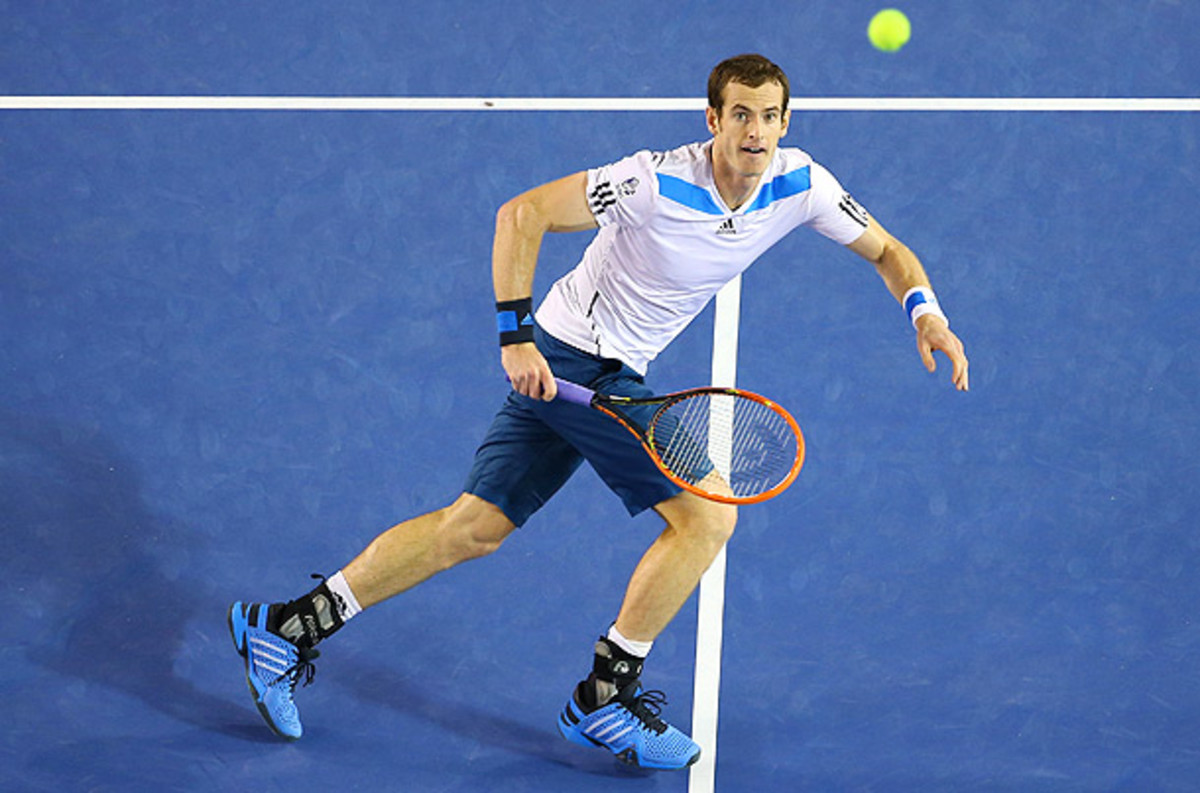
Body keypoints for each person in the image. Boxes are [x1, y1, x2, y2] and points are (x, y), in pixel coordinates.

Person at [228, 53, 970, 771]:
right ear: (712, 117)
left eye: (770, 117)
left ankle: (287, 628)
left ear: (784, 123)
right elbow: (521, 214)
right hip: (583, 359)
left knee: (473, 527)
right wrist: (513, 337)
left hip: (581, 361)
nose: (755, 132)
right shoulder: (652, 181)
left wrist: (924, 313)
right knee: (709, 515)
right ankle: (604, 695)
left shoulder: (801, 182)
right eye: (740, 114)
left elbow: (889, 251)